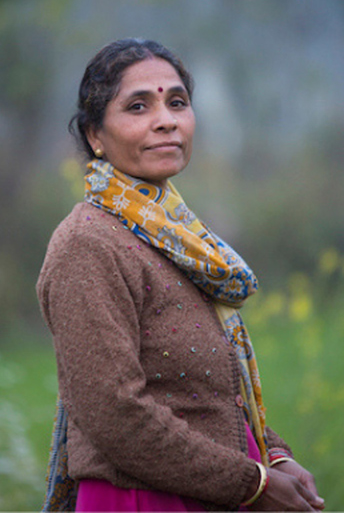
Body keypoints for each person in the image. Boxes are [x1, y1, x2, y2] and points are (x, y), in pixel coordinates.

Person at [37, 38, 325, 512]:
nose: (166, 119)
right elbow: (115, 415)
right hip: (142, 499)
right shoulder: (88, 244)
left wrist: (273, 455)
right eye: (138, 106)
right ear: (95, 135)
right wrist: (252, 483)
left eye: (177, 102)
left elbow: (207, 391)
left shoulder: (177, 238)